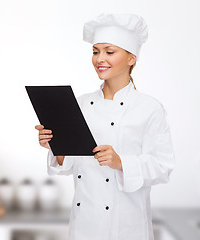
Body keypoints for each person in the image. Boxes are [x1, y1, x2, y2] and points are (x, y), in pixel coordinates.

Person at [35, 13, 175, 240]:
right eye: (95, 51)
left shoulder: (149, 108)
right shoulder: (80, 104)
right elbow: (69, 164)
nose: (100, 58)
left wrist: (121, 162)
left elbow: (163, 167)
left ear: (132, 58)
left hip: (127, 228)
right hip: (84, 227)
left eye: (109, 52)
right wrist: (56, 146)